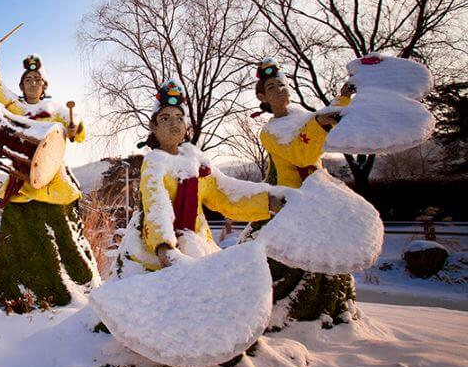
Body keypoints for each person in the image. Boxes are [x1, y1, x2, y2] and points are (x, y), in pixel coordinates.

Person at [111, 80, 283, 278]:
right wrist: (163, 246)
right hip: (156, 256)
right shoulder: (154, 163)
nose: (174, 124)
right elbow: (155, 204)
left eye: (179, 118)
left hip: (197, 245)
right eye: (165, 118)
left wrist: (267, 200)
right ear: (153, 126)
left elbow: (226, 193)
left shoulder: (196, 162)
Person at [0, 42, 98, 310]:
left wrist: (75, 129)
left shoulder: (56, 109)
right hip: (22, 179)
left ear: (44, 85)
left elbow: (76, 130)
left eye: (37, 80)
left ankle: (72, 282)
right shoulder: (14, 106)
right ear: (21, 85)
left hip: (53, 179)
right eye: (28, 80)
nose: (33, 83)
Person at [248, 57, 358, 326]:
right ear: (263, 97)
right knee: (287, 257)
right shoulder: (270, 131)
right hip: (290, 202)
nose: (280, 90)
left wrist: (344, 98)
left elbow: (325, 117)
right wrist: (320, 123)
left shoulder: (302, 117)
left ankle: (331, 307)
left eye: (281, 84)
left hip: (318, 196)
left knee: (327, 253)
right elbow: (300, 153)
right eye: (272, 87)